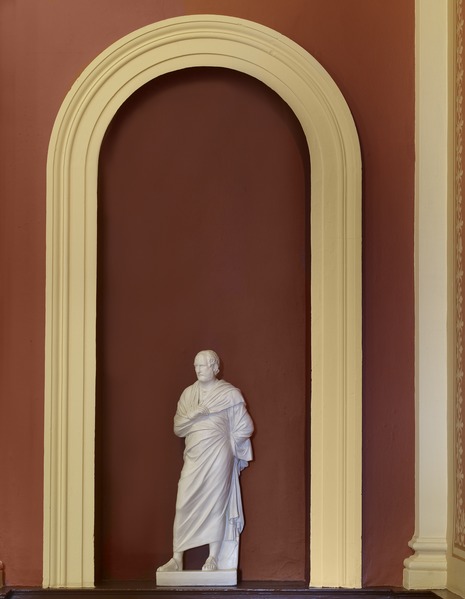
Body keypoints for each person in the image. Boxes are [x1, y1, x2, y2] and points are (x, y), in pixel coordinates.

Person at [157, 350, 253, 572]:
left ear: (215, 367)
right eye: (196, 366)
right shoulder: (188, 395)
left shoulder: (230, 394)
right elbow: (178, 428)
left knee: (216, 504)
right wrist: (195, 414)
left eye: (203, 365)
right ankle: (177, 559)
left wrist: (227, 445)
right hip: (194, 454)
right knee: (183, 502)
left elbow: (245, 427)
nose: (198, 369)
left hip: (219, 455)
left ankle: (213, 557)